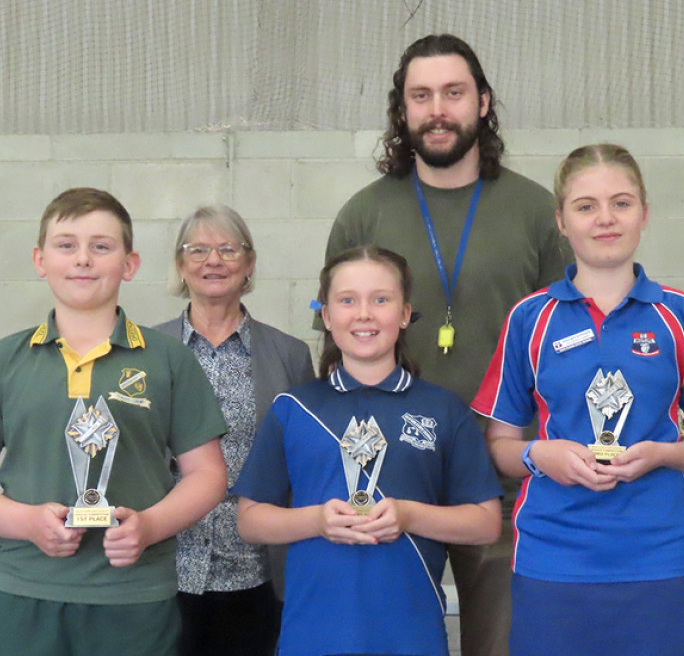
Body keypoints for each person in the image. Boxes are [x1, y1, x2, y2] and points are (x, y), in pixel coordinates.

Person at [320, 33, 569, 656]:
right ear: (401, 111)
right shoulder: (363, 214)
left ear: (482, 103)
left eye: (453, 93)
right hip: (387, 475)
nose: (438, 109)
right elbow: (332, 348)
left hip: (504, 474)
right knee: (392, 642)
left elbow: (566, 347)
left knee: (503, 645)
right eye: (421, 95)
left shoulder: (537, 212)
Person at [471, 144, 684, 656]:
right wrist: (539, 455)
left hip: (658, 555)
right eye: (585, 206)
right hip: (553, 555)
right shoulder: (530, 318)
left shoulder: (681, 316)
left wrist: (664, 455)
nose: (605, 219)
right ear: (561, 220)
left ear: (644, 213)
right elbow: (501, 442)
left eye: (621, 203)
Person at [235, 246, 503, 656]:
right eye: (347, 300)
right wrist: (318, 521)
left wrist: (409, 515)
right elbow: (250, 521)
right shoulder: (294, 408)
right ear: (326, 316)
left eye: (381, 299)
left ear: (404, 313)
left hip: (411, 636)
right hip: (313, 634)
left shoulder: (444, 410)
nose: (364, 314)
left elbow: (485, 523)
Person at [0, 187, 227, 656]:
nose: (83, 259)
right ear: (41, 260)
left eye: (101, 246)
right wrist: (25, 522)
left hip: (134, 596)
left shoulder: (168, 360)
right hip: (22, 589)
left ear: (130, 264)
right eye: (67, 245)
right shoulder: (7, 359)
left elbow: (208, 475)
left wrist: (149, 526)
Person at [155, 206, 315, 656]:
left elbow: (303, 462)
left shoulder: (290, 355)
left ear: (248, 264)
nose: (213, 260)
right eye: (199, 250)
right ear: (181, 265)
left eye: (228, 249)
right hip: (166, 565)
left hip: (257, 569)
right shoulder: (146, 350)